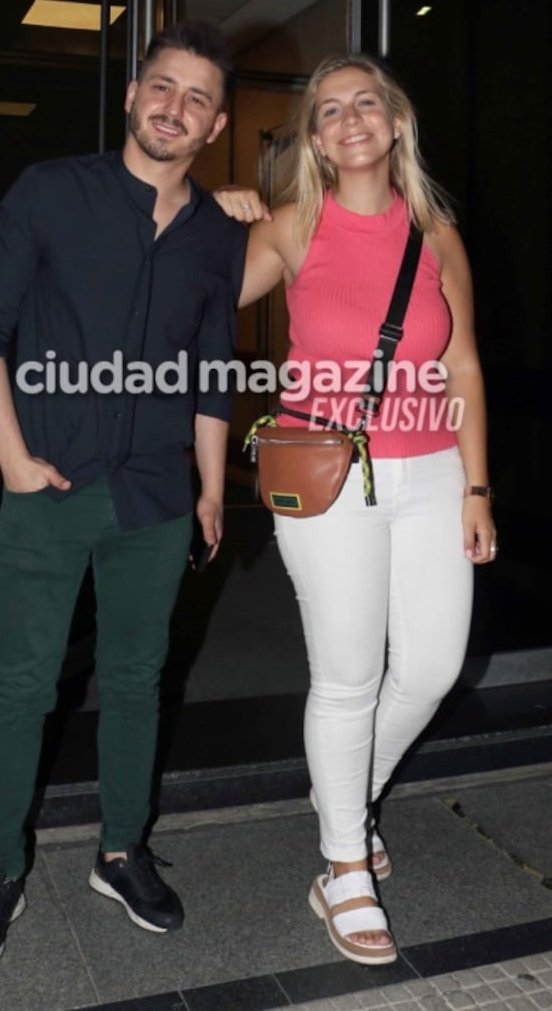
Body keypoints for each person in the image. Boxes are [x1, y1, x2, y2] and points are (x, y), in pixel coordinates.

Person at [0, 20, 247, 971]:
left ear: (217, 122)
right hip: (48, 480)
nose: (175, 107)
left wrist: (210, 488)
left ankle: (121, 851)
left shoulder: (215, 233)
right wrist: (10, 460)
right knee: (23, 686)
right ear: (131, 95)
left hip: (157, 496)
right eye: (162, 87)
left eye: (197, 97)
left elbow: (211, 368)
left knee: (135, 680)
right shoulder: (51, 191)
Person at [215, 54, 496, 965]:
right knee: (346, 677)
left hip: (430, 476)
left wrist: (477, 486)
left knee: (430, 667)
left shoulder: (435, 232)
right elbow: (192, 302)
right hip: (326, 477)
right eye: (327, 109)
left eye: (362, 103)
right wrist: (208, 217)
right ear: (314, 137)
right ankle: (343, 862)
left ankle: (344, 797)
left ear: (394, 121)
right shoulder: (293, 227)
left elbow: (461, 367)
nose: (347, 119)